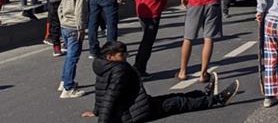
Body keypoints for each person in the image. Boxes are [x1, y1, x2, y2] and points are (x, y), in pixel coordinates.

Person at [81, 41, 239, 123]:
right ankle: (217, 100)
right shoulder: (119, 70)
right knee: (178, 103)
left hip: (134, 106)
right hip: (135, 113)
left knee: (174, 97)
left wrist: (96, 111)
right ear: (110, 56)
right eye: (122, 55)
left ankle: (202, 94)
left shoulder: (101, 66)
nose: (126, 56)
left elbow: (100, 92)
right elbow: (110, 96)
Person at [59, 0, 92, 98]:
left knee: (69, 57)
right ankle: (68, 88)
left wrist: (62, 20)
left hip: (65, 25)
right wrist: (81, 29)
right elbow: (80, 12)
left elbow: (60, 7)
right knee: (73, 57)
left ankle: (64, 81)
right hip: (74, 27)